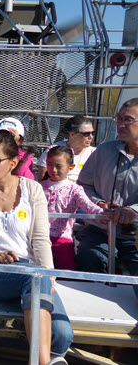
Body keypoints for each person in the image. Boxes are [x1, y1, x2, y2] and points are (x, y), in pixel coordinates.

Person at [0, 133, 73, 365]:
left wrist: (49, 276)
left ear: (12, 162)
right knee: (33, 279)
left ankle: (45, 357)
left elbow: (41, 239)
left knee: (62, 334)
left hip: (31, 271)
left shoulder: (32, 189)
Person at [76, 98, 138, 296]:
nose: (120, 124)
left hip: (136, 236)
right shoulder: (103, 151)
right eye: (118, 118)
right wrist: (99, 204)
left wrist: (132, 211)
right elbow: (83, 186)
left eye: (127, 119)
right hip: (100, 229)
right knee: (90, 258)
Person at [41, 146, 106, 270]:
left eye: (58, 166)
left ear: (71, 167)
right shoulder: (39, 187)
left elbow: (89, 206)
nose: (53, 170)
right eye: (49, 165)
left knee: (67, 271)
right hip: (39, 236)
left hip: (62, 238)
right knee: (38, 270)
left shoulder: (75, 189)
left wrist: (103, 214)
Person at [36, 115, 95, 182]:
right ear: (72, 135)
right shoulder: (54, 150)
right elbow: (42, 177)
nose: (91, 137)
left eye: (92, 133)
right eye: (86, 134)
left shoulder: (94, 153)